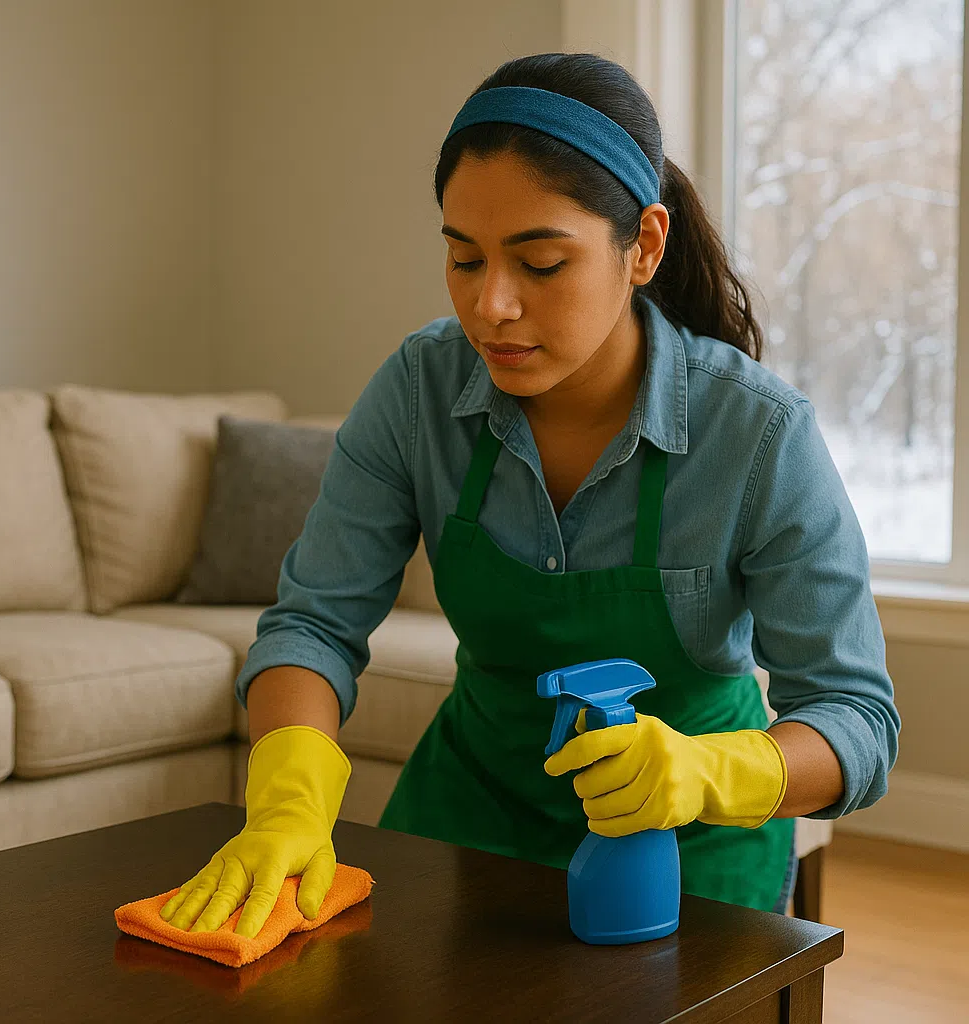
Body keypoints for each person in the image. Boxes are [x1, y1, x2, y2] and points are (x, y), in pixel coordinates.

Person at [159, 52, 899, 939]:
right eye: (463, 259)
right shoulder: (418, 391)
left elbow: (857, 720)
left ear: (646, 247)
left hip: (684, 853)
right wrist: (287, 801)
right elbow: (313, 626)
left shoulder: (757, 433)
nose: (492, 307)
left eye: (541, 263)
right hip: (468, 819)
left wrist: (707, 774)